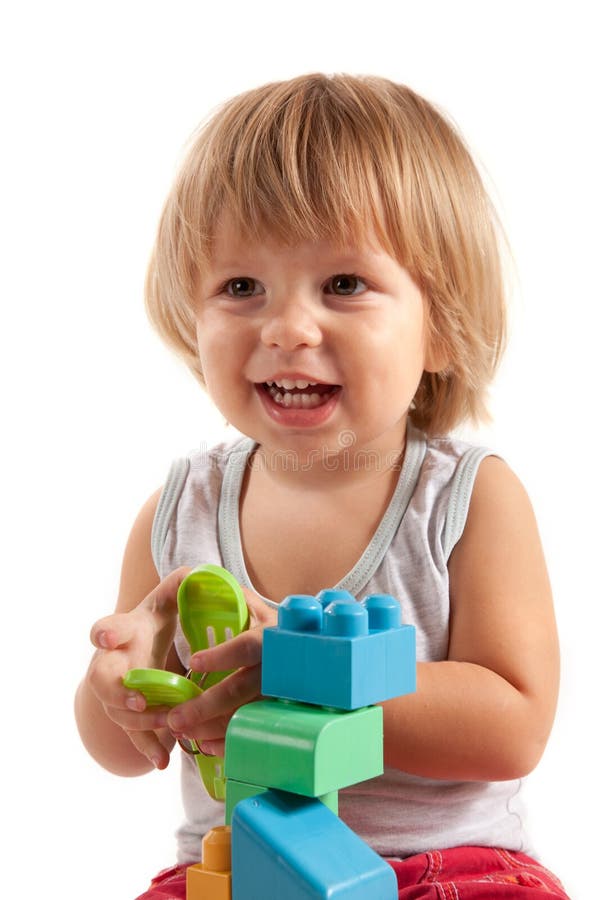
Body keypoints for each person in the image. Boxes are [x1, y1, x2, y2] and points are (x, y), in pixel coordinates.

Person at [75, 73, 569, 898]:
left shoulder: (468, 500)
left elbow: (513, 726)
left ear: (439, 325)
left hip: (442, 871)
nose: (286, 328)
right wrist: (118, 699)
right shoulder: (175, 514)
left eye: (343, 284)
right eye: (241, 287)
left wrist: (309, 676)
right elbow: (126, 751)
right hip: (229, 870)